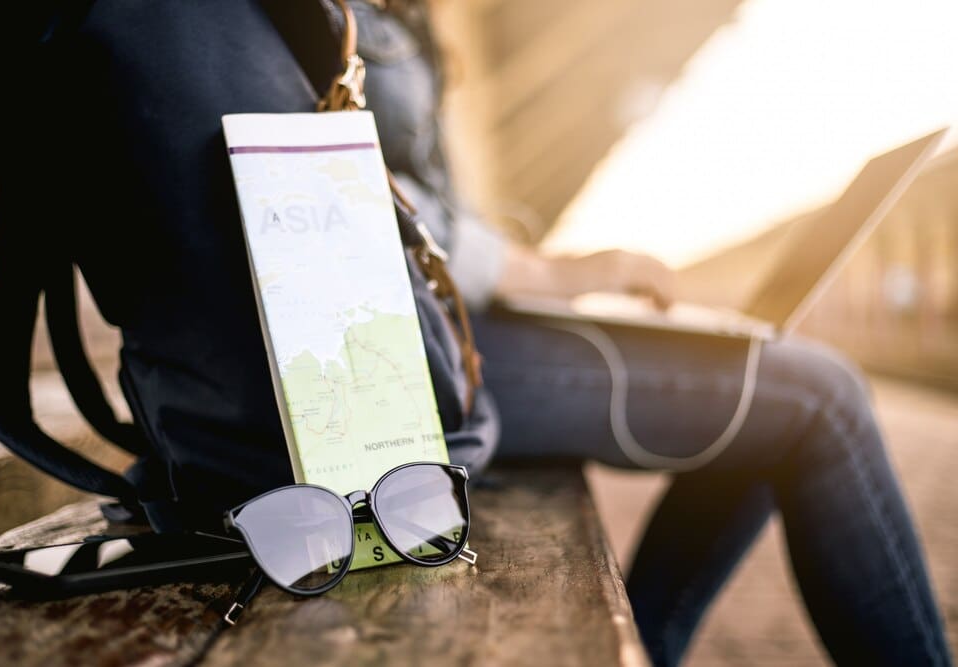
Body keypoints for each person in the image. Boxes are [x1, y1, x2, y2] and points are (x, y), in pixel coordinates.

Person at [352, 1, 952, 665]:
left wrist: (535, 274)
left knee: (766, 383)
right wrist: (550, 271)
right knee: (819, 395)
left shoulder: (396, 16)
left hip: (449, 320)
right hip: (406, 351)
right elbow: (353, 188)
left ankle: (651, 646)